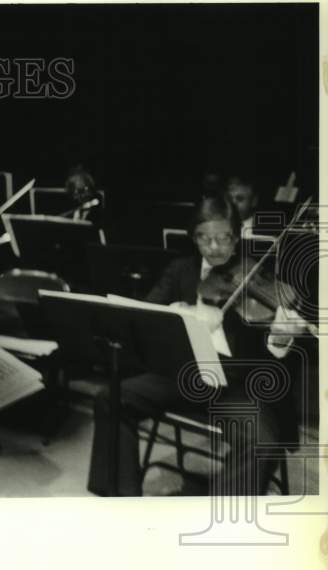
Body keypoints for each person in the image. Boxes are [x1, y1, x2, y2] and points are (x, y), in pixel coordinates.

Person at [88, 195, 300, 497]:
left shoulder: (256, 277)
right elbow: (145, 317)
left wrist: (281, 336)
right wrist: (184, 313)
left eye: (223, 238)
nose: (214, 248)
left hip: (234, 384)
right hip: (178, 374)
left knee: (261, 440)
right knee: (111, 397)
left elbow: (272, 356)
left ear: (237, 235)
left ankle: (227, 523)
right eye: (205, 239)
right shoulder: (180, 270)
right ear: (193, 238)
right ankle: (120, 500)